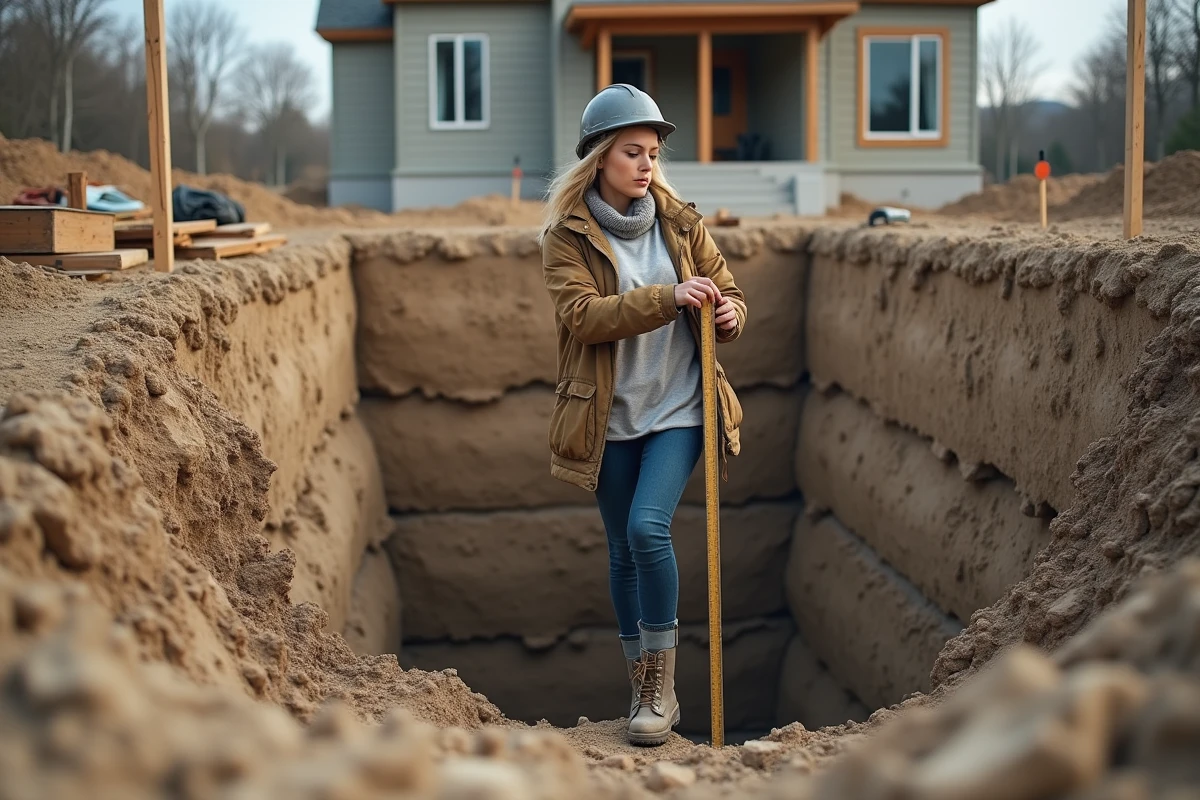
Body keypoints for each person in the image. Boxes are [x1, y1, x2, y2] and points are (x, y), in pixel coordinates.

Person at [538, 84, 746, 746]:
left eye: (653, 152)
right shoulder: (565, 237)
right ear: (599, 157)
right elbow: (584, 317)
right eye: (633, 152)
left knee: (648, 529)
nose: (647, 165)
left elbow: (728, 290)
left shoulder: (681, 223)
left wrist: (729, 313)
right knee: (623, 551)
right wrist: (667, 297)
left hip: (679, 408)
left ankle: (663, 690)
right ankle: (642, 685)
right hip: (607, 419)